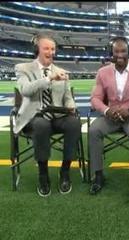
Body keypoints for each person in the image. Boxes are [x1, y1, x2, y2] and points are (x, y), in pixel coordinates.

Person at [14, 33, 81, 197]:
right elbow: (26, 90)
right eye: (46, 48)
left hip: (56, 117)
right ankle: (43, 174)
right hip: (32, 118)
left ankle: (65, 171)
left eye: (53, 49)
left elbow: (67, 98)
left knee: (74, 123)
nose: (50, 52)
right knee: (41, 124)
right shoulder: (23, 68)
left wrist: (71, 107)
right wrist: (49, 78)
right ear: (37, 49)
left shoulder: (61, 71)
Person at [89, 36, 129, 197]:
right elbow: (95, 98)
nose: (119, 54)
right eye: (116, 51)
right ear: (111, 53)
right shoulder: (102, 72)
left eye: (123, 51)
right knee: (93, 130)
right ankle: (98, 175)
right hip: (111, 116)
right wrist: (106, 110)